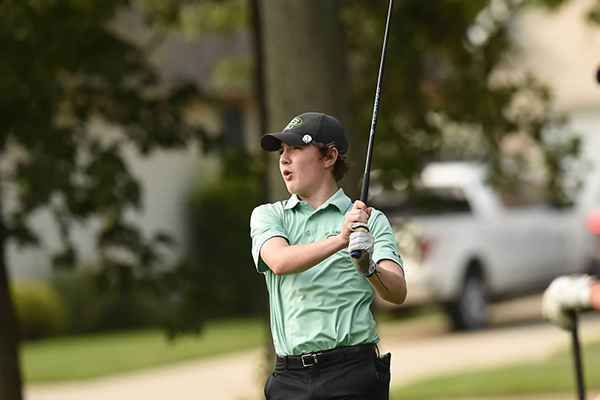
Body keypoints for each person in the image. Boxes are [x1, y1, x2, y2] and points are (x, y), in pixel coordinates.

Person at [250, 112, 407, 400]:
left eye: (296, 149)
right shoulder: (269, 215)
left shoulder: (369, 221)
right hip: (289, 378)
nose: (284, 159)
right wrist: (340, 240)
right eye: (282, 151)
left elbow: (397, 292)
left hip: (352, 374)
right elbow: (280, 261)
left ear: (329, 156)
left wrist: (368, 267)